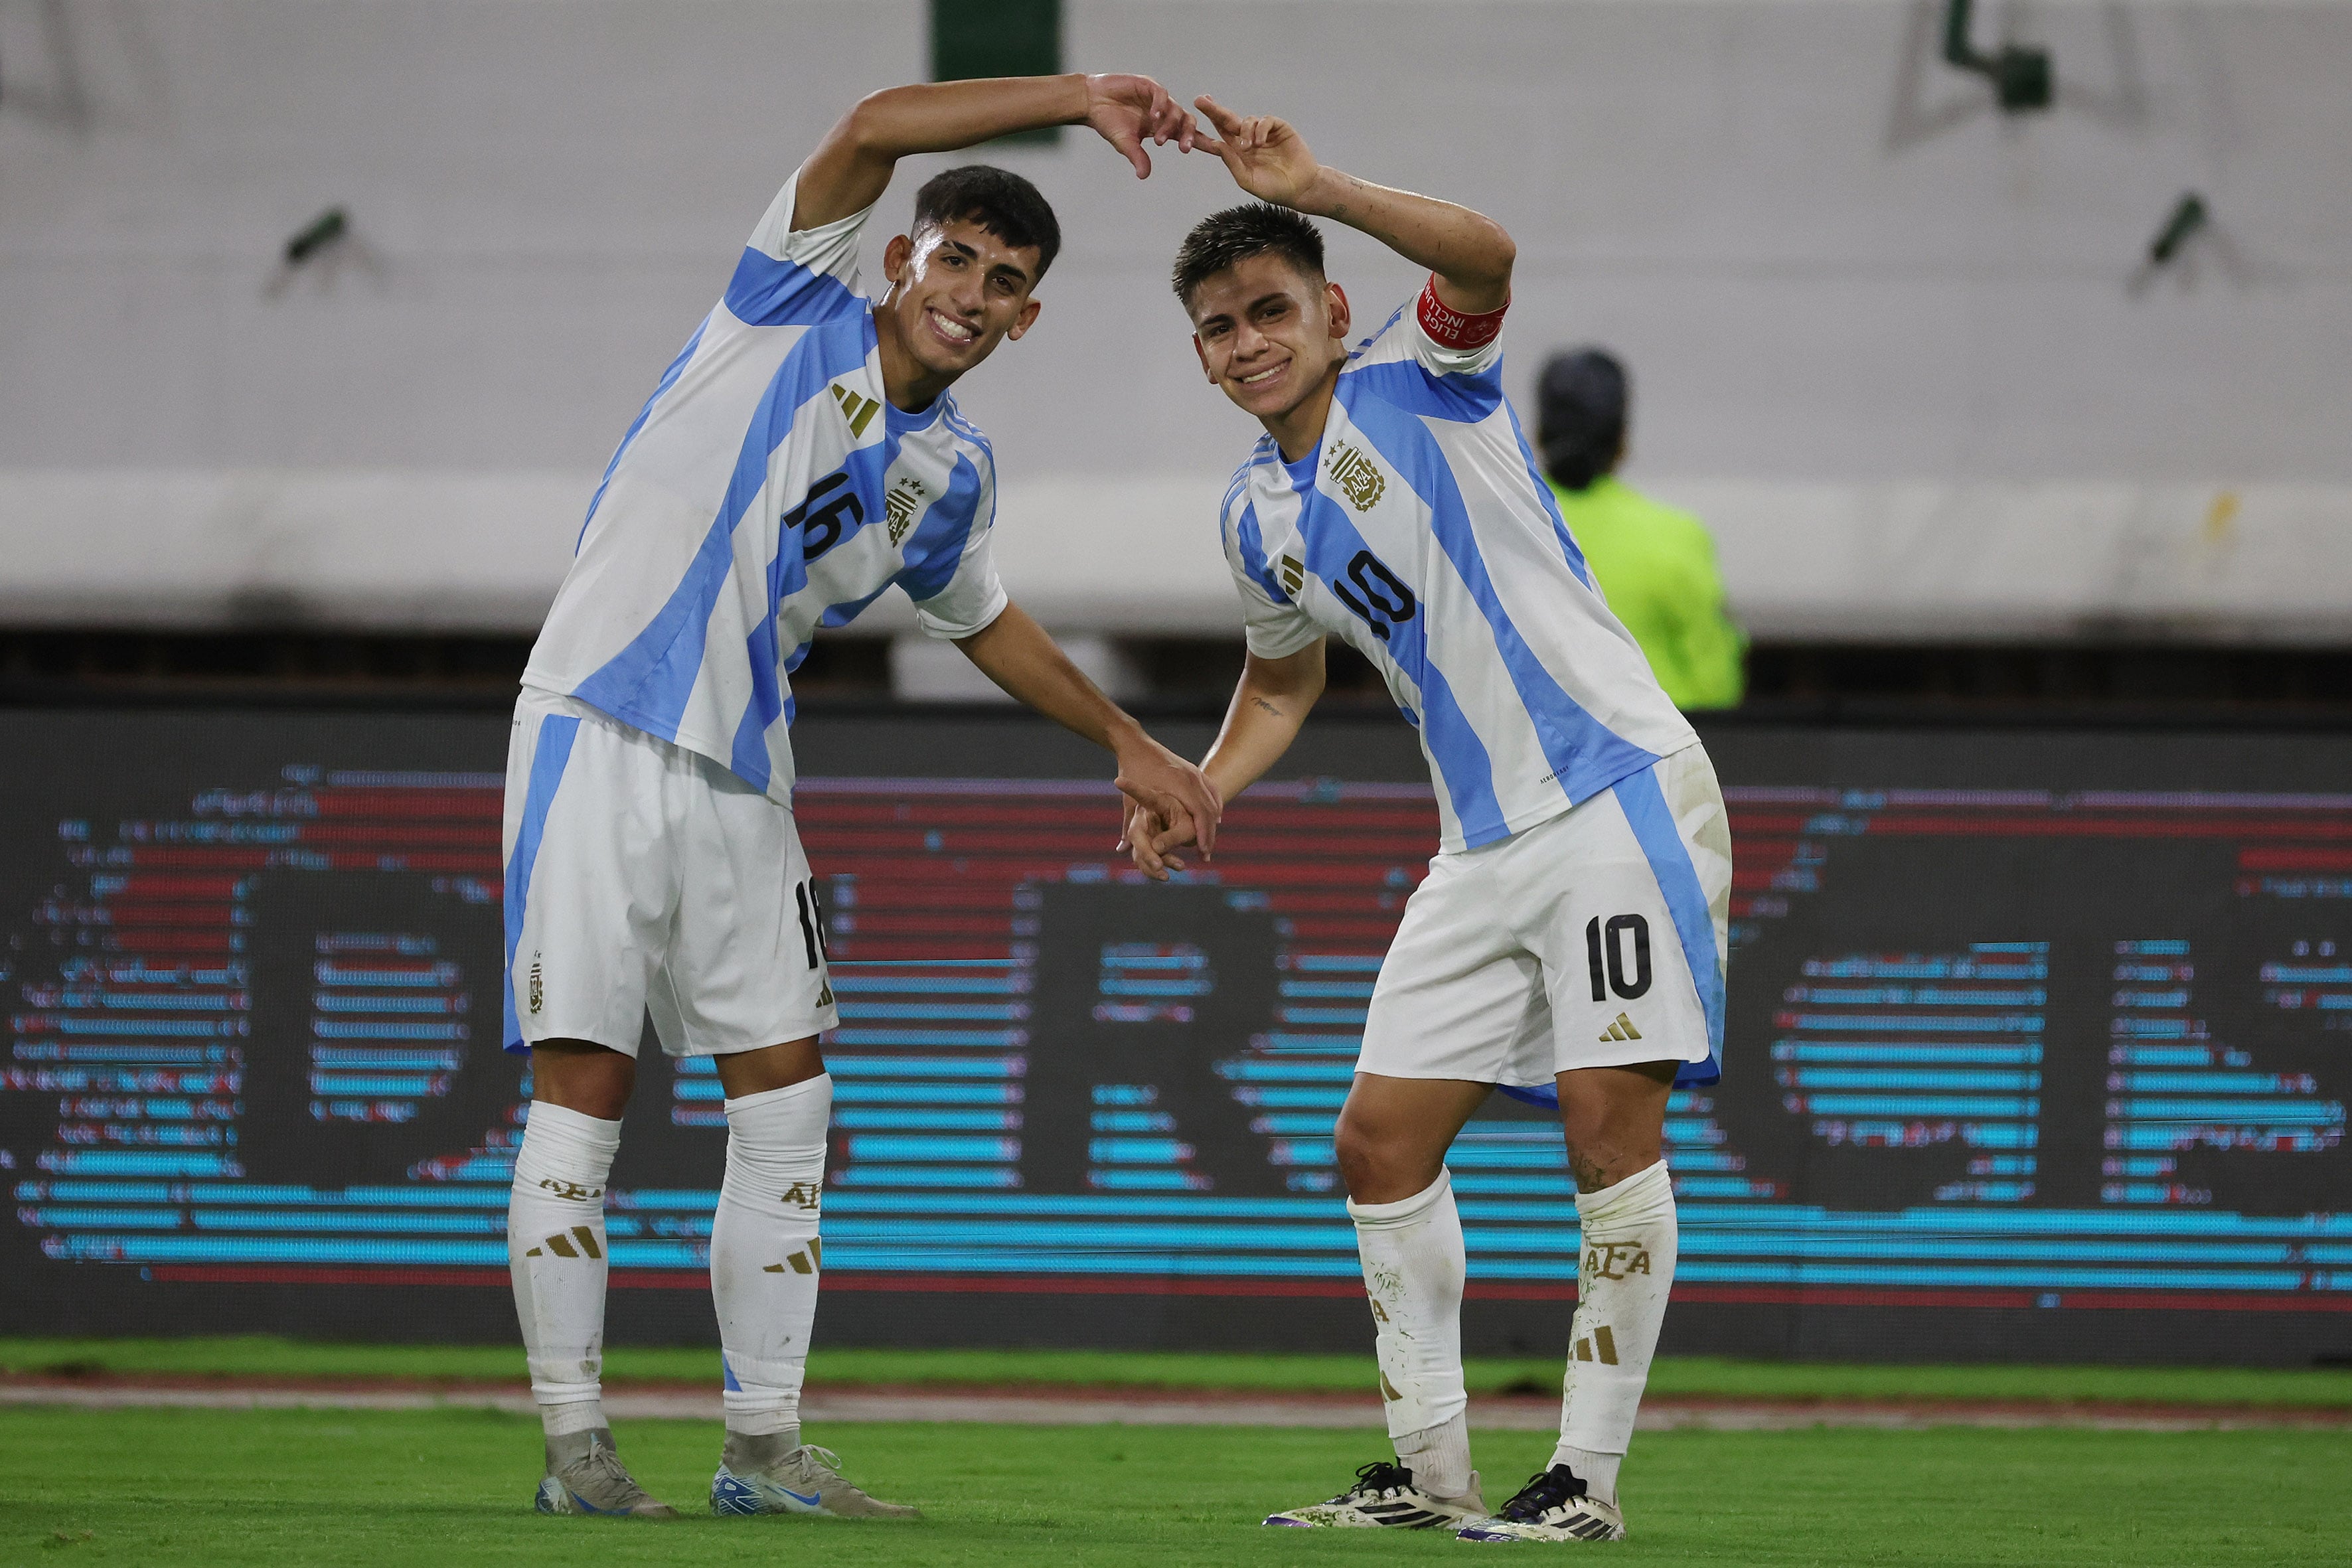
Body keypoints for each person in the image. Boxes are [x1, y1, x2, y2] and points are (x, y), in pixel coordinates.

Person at [501, 73, 1221, 1520]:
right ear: (902, 258)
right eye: (955, 255)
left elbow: (987, 620)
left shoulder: (948, 472)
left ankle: (762, 1448)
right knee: (586, 1091)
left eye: (1004, 280)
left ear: (1027, 320)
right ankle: (577, 1449)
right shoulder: (788, 304)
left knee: (792, 1100)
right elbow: (871, 127)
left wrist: (1129, 742)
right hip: (595, 719)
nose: (971, 289)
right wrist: (1077, 95)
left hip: (745, 778)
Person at [1132, 98, 1733, 1543]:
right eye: (1216, 327)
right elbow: (1281, 682)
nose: (1246, 341)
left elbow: (1486, 253)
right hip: (1479, 847)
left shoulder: (1425, 384)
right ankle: (1430, 1473)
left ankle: (1581, 1485)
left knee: (1607, 1128)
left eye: (1269, 308)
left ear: (1331, 308)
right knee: (1376, 1140)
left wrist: (1319, 181)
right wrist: (1205, 778)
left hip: (1613, 791)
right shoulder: (1250, 517)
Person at [1535, 349, 1745, 710]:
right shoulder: (1679, 536)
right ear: (1622, 439)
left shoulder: (1491, 530)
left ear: (1539, 435)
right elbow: (1719, 684)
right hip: (1658, 755)